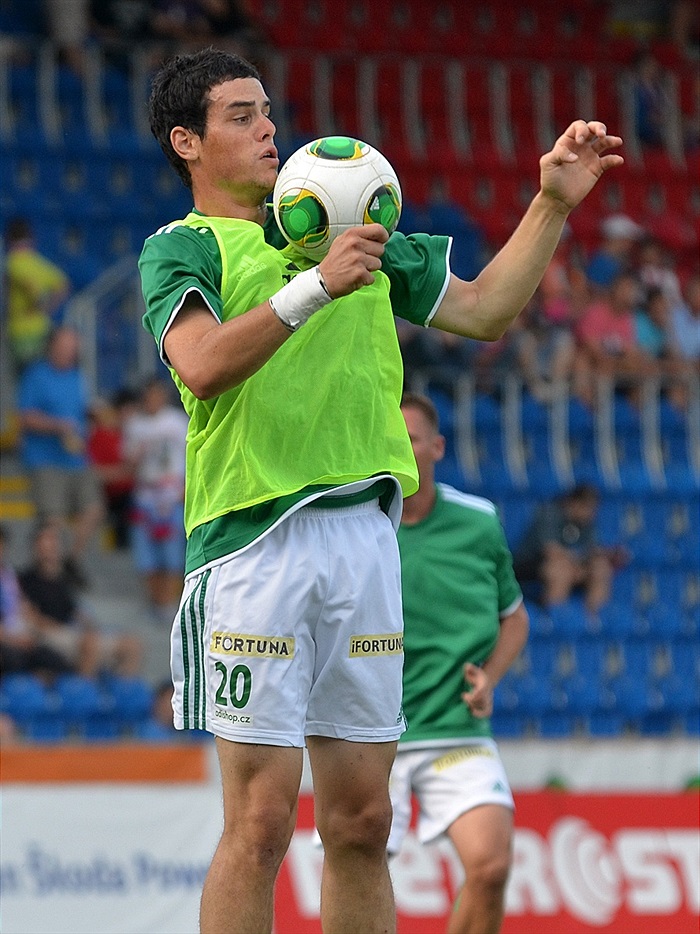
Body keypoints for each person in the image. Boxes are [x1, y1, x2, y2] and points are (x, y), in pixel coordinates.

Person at [138, 46, 623, 934]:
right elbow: (202, 366)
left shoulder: (352, 222)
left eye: (268, 112)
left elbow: (483, 311)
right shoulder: (184, 245)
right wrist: (317, 287)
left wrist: (552, 202)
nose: (268, 130)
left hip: (366, 540)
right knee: (259, 823)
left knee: (362, 824)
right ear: (188, 142)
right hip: (256, 543)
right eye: (240, 116)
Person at [389, 393, 528, 934]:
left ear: (436, 446)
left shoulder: (478, 521)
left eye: (413, 435)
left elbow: (514, 617)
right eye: (391, 433)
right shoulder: (353, 523)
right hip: (369, 735)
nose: (402, 444)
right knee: (356, 868)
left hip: (455, 732)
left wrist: (490, 677)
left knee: (491, 867)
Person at [16, 326, 104, 581]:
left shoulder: (78, 377)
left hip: (76, 457)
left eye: (73, 347)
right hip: (45, 459)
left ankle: (69, 561)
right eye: (65, 346)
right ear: (52, 347)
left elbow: (82, 412)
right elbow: (25, 417)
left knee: (94, 509)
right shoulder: (36, 376)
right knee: (52, 518)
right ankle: (48, 570)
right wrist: (57, 425)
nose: (70, 352)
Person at [17, 520, 143, 679]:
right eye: (46, 540)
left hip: (73, 634)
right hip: (48, 635)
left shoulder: (65, 578)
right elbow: (29, 617)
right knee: (90, 644)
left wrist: (87, 624)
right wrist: (57, 629)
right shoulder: (25, 580)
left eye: (54, 540)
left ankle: (123, 697)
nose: (51, 546)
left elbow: (76, 610)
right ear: (35, 545)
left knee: (131, 645)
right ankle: (82, 694)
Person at [123, 378, 188, 622]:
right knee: (146, 556)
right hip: (146, 495)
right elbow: (127, 465)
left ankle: (169, 605)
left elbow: (193, 455)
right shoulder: (134, 425)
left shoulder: (177, 421)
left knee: (172, 555)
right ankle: (155, 603)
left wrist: (185, 488)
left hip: (172, 495)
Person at [513, 484, 617, 614]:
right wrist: (577, 565)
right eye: (588, 507)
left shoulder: (588, 524)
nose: (592, 513)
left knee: (600, 569)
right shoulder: (550, 514)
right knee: (561, 571)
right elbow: (551, 551)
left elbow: (593, 550)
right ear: (574, 503)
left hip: (572, 566)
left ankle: (594, 624)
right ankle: (553, 621)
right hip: (531, 567)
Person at [4, 217, 71, 373]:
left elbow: (30, 287)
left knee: (23, 380)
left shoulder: (13, 262)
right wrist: (47, 309)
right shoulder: (38, 262)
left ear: (9, 239)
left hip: (21, 332)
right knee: (39, 375)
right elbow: (63, 285)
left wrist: (38, 304)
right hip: (41, 328)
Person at [87, 390, 137, 550]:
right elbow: (94, 470)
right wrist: (121, 472)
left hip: (128, 492)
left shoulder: (130, 435)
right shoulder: (100, 436)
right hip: (108, 493)